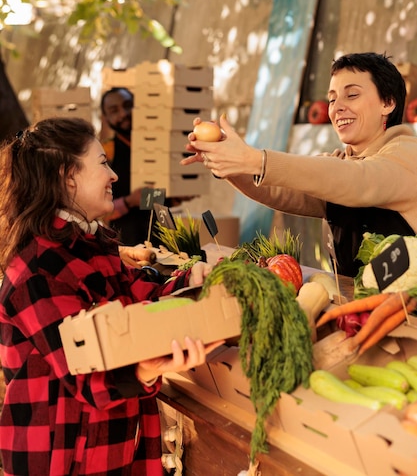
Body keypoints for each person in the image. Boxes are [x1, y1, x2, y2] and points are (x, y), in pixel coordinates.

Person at [0, 117, 221, 476]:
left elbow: (141, 295)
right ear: (67, 175)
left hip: (110, 452)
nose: (113, 175)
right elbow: (85, 373)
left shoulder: (89, 246)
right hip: (61, 462)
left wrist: (193, 283)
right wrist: (144, 368)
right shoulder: (39, 269)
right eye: (102, 163)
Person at [181, 52, 417, 277]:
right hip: (356, 308)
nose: (337, 107)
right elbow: (281, 189)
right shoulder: (340, 163)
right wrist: (227, 163)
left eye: (352, 95)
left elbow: (360, 180)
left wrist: (253, 159)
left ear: (387, 103)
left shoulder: (407, 154)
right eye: (332, 98)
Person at [100, 87, 152, 246]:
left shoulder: (154, 148)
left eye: (128, 105)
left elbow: (160, 200)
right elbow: (99, 211)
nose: (123, 114)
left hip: (160, 238)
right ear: (106, 118)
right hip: (126, 244)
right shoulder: (106, 152)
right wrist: (129, 201)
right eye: (114, 110)